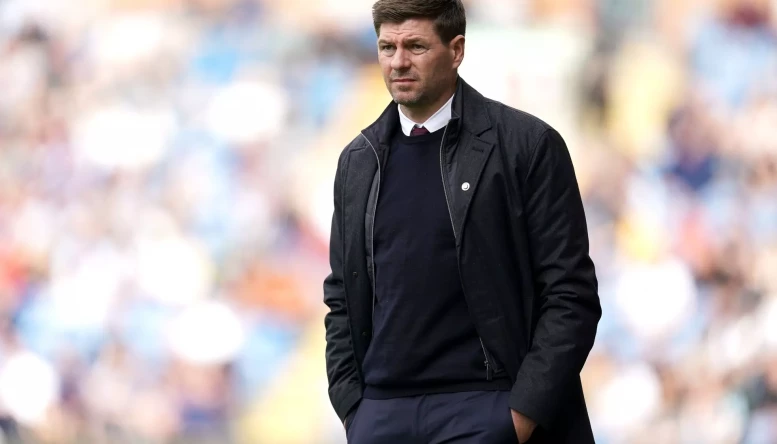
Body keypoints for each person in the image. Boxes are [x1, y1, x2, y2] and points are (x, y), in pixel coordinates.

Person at [323, 1, 602, 442]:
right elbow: (341, 295)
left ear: (457, 51)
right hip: (382, 415)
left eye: (415, 46)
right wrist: (354, 410)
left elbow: (571, 294)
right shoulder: (358, 161)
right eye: (387, 47)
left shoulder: (527, 147)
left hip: (485, 407)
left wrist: (521, 414)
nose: (399, 61)